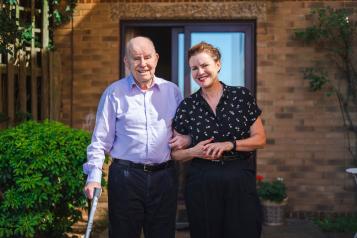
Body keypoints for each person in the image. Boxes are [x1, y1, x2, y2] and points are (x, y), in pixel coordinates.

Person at [83, 36, 189, 238]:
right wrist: (93, 177)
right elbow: (100, 141)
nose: (143, 64)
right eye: (136, 58)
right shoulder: (114, 93)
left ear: (156, 58)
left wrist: (188, 140)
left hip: (164, 178)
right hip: (126, 178)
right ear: (126, 62)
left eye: (147, 57)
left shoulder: (172, 91)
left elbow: (183, 133)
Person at [171, 42, 266, 238]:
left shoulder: (241, 96)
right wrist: (192, 151)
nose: (200, 72)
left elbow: (260, 139)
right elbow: (176, 153)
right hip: (201, 179)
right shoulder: (187, 106)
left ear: (218, 65)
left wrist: (230, 144)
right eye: (194, 68)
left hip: (238, 176)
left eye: (205, 65)